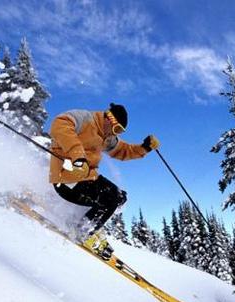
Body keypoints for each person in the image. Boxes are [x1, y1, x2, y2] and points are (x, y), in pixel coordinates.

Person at [49, 103, 159, 259]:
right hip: (67, 177)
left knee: (120, 196)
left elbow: (123, 150)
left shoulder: (106, 137)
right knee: (110, 199)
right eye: (117, 129)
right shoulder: (85, 118)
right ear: (109, 118)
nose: (116, 134)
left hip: (86, 177)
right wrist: (77, 156)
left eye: (120, 131)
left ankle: (86, 222)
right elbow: (59, 124)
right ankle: (82, 231)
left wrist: (145, 148)